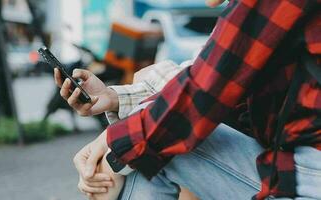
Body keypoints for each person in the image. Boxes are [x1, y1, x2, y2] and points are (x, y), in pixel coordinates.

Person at [55, 0, 321, 199]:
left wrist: (114, 154)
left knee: (152, 152)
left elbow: (202, 93)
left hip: (310, 175)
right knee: (150, 142)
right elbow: (201, 80)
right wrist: (116, 100)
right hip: (299, 164)